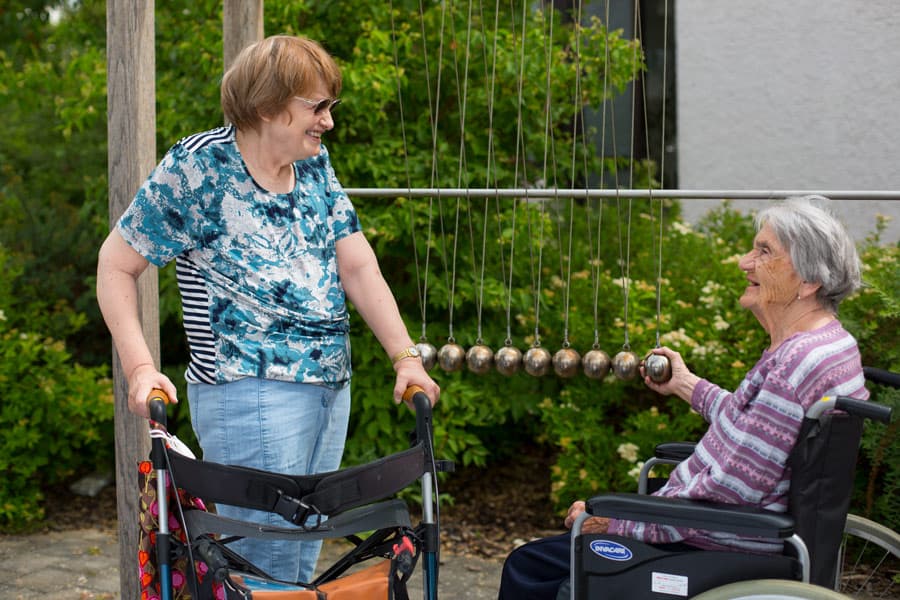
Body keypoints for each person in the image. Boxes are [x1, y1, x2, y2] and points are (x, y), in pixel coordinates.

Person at [96, 34, 440, 583]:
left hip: (331, 385)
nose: (327, 121)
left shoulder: (314, 166)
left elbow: (357, 266)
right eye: (317, 107)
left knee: (299, 561)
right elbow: (116, 265)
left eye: (331, 107)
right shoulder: (198, 167)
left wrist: (405, 356)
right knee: (263, 566)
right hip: (247, 389)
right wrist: (140, 369)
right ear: (266, 104)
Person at [498, 195, 868, 599]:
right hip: (728, 529)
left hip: (721, 542)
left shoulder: (795, 361)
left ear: (809, 280)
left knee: (530, 567)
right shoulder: (826, 343)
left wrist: (619, 523)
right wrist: (686, 384)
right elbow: (752, 429)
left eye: (764, 252)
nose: (745, 262)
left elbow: (734, 493)